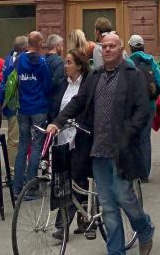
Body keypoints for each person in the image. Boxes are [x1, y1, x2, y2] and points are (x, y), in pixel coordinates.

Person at [48, 32, 155, 255]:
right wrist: (57, 122)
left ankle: (144, 228)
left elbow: (143, 111)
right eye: (104, 47)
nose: (107, 50)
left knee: (125, 197)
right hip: (97, 150)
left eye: (112, 46)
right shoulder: (95, 76)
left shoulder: (132, 75)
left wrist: (128, 134)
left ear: (121, 49)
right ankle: (115, 251)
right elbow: (78, 101)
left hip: (121, 151)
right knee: (107, 207)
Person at [2, 30, 53, 192]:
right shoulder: (42, 62)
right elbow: (47, 85)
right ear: (38, 43)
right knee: (37, 146)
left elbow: (14, 79)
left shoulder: (20, 59)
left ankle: (17, 187)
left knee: (23, 146)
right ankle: (31, 187)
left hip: (23, 108)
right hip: (38, 108)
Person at [51, 47, 92, 235]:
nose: (65, 66)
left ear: (79, 66)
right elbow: (56, 108)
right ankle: (83, 217)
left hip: (80, 138)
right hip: (62, 139)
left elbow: (81, 107)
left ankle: (63, 225)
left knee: (77, 179)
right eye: (65, 62)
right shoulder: (61, 84)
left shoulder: (87, 84)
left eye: (69, 62)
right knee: (63, 181)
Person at [128, 34, 160, 182]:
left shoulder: (128, 62)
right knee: (145, 139)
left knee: (133, 139)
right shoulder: (151, 61)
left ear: (130, 47)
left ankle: (135, 170)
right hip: (149, 106)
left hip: (133, 107)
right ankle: (145, 174)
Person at [44, 34, 67, 107]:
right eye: (62, 45)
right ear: (57, 46)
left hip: (43, 100)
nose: (63, 48)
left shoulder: (42, 60)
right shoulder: (59, 61)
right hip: (54, 100)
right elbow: (57, 81)